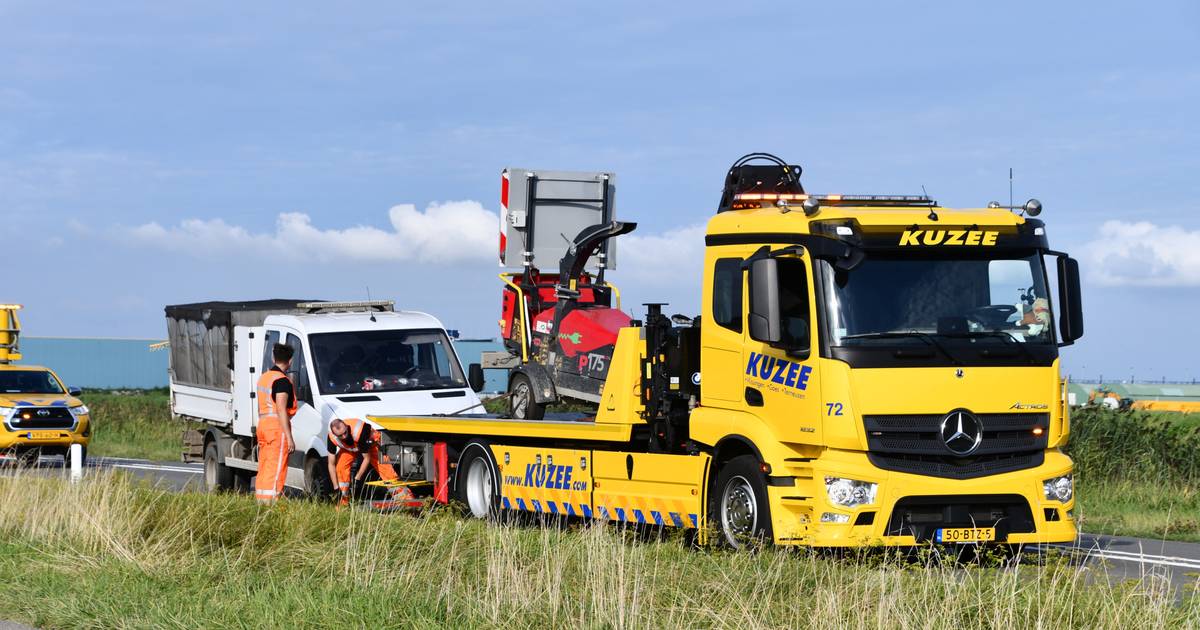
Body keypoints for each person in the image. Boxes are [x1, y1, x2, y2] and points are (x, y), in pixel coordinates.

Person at [326, 417, 413, 506]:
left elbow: (366, 459)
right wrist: (336, 488)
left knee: (386, 470)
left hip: (371, 444)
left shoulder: (359, 431)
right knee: (341, 467)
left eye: (345, 432)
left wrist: (357, 477)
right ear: (334, 434)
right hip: (350, 448)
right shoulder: (332, 438)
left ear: (346, 426)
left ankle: (405, 500)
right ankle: (342, 502)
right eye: (340, 435)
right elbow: (331, 463)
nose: (344, 436)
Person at [255, 343, 297, 504]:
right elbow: (281, 409)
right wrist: (289, 436)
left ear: (273, 358)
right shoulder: (282, 381)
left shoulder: (264, 377)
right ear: (290, 361)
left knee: (265, 465)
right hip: (276, 428)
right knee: (276, 466)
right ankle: (271, 503)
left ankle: (261, 501)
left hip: (263, 426)